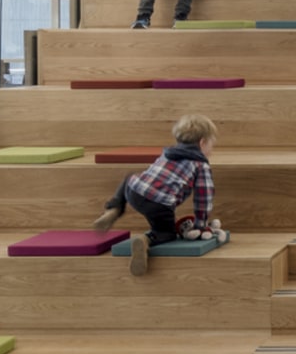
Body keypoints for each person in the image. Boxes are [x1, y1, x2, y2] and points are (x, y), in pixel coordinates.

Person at [92, 112, 225, 273]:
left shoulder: (168, 153)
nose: (212, 149)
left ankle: (114, 208)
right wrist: (200, 224)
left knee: (129, 178)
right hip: (158, 203)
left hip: (134, 190)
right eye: (212, 145)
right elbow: (204, 198)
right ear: (202, 143)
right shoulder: (200, 165)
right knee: (166, 233)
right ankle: (145, 240)